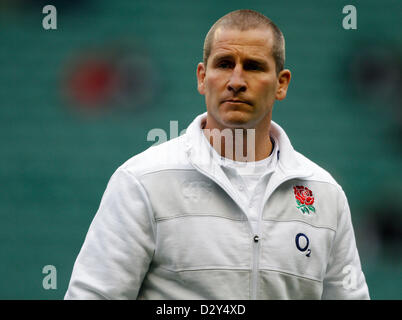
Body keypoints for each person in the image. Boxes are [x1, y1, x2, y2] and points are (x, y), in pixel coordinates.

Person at [65, 9, 370, 299]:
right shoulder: (143, 181)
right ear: (202, 77)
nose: (236, 81)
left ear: (281, 83)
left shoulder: (325, 193)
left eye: (253, 66)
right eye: (224, 64)